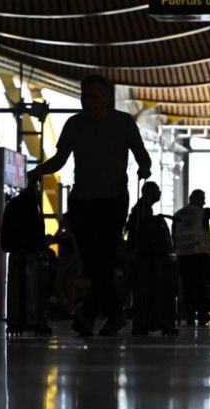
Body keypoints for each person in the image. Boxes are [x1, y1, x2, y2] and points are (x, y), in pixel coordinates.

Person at [27, 74, 153, 337]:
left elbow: (142, 154)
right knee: (95, 262)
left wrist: (145, 168)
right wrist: (39, 170)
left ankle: (88, 315)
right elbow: (60, 159)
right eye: (85, 96)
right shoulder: (74, 124)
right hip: (82, 200)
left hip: (113, 199)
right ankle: (113, 315)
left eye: (95, 95)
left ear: (108, 97)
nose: (89, 101)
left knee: (103, 259)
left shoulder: (123, 122)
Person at [173, 189, 210, 326]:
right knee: (201, 286)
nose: (204, 201)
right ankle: (202, 316)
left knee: (187, 287)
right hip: (201, 254)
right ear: (197, 198)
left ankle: (189, 316)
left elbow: (174, 235)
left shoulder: (178, 214)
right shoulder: (203, 212)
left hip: (183, 255)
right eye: (203, 198)